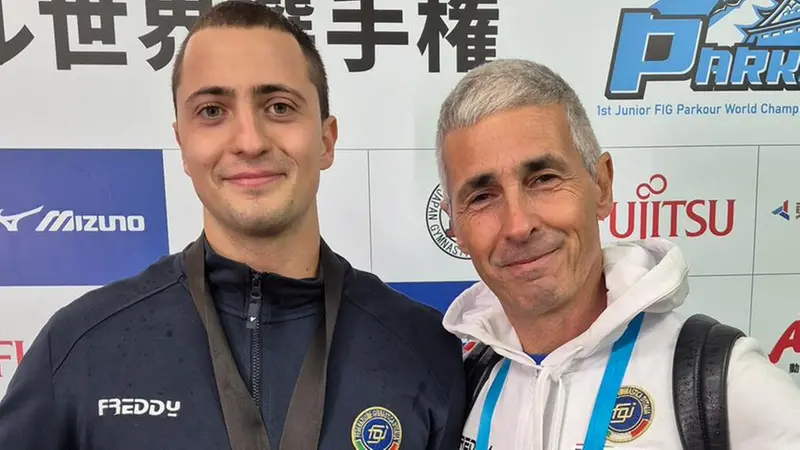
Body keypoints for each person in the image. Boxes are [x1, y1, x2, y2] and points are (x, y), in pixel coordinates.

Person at [0, 2, 465, 449]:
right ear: (183, 145)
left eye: (279, 107)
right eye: (212, 111)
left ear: (325, 140)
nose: (249, 141)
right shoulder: (80, 345)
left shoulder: (423, 350)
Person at [434, 58, 800, 449]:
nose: (518, 225)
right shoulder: (462, 383)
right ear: (455, 226)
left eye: (543, 179)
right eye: (482, 197)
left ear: (601, 185)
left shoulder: (722, 381)